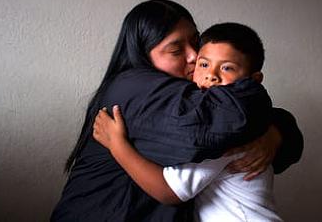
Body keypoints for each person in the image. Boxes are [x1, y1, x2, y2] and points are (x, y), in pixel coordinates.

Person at [51, 0, 303, 221]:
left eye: (196, 42)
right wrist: (271, 128)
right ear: (143, 54)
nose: (194, 56)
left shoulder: (194, 97)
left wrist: (275, 132)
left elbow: (250, 127)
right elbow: (226, 123)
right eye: (176, 49)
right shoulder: (135, 88)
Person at [93, 23, 283, 222]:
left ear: (254, 80)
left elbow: (168, 191)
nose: (211, 75)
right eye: (204, 64)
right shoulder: (236, 119)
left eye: (227, 68)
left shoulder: (225, 130)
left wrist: (117, 145)